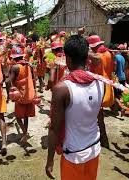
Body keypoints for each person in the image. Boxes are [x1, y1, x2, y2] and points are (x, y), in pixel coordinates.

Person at [46, 35, 105, 180]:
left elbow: (54, 127)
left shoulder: (62, 89)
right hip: (94, 148)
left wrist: (50, 160)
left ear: (68, 59)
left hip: (74, 154)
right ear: (87, 57)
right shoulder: (101, 82)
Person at [9, 47, 36, 145]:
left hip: (19, 95)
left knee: (18, 116)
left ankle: (24, 133)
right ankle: (25, 132)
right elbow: (33, 78)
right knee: (26, 116)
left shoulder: (15, 67)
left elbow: (9, 81)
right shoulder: (28, 65)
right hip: (29, 94)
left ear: (13, 57)